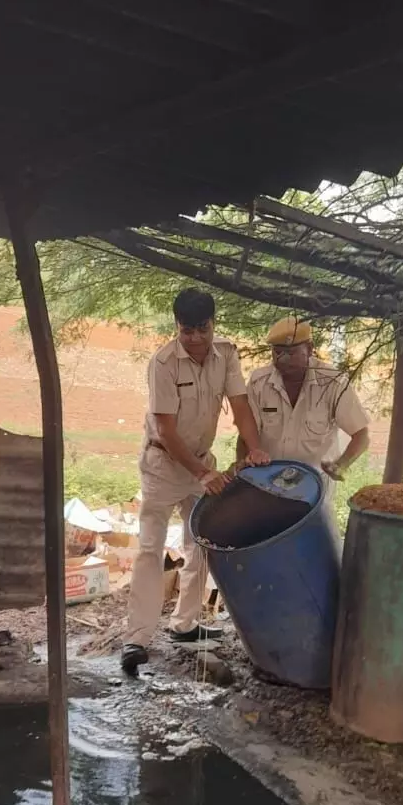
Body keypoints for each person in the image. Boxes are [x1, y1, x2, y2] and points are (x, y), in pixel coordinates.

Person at [121, 289, 269, 674]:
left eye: (201, 329)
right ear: (177, 327)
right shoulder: (163, 363)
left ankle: (184, 624)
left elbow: (240, 408)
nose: (195, 339)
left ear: (212, 323)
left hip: (201, 464)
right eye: (186, 331)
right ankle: (136, 639)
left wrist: (254, 448)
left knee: (201, 542)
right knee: (151, 549)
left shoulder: (227, 354)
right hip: (162, 465)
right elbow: (167, 431)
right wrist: (203, 474)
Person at [238, 316, 370, 492]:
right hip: (267, 481)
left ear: (309, 349)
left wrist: (341, 465)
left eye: (291, 353)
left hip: (314, 486)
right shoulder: (258, 382)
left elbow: (361, 435)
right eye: (278, 352)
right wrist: (242, 463)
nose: (283, 359)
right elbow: (246, 431)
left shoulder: (333, 382)